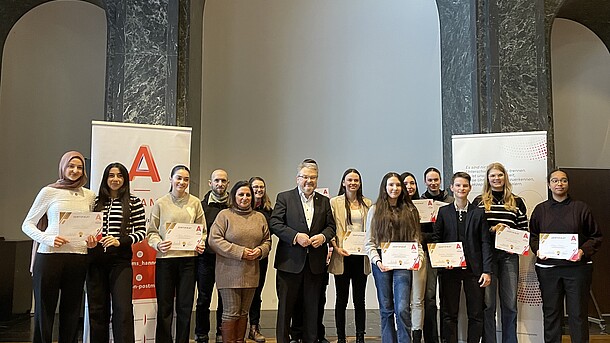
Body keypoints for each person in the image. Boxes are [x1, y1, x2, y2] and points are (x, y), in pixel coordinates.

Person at [22, 151, 97, 343]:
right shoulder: (49, 191)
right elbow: (27, 224)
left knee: (72, 311)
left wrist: (92, 240)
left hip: (78, 257)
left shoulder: (89, 195)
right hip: (49, 256)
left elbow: (91, 226)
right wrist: (47, 238)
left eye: (79, 167)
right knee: (44, 310)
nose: (75, 170)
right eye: (71, 166)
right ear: (63, 167)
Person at [529, 169, 602, 343]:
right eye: (555, 181)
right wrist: (538, 250)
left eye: (563, 181)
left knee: (577, 313)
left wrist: (582, 251)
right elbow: (533, 236)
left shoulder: (581, 208)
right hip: (548, 270)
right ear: (549, 184)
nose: (559, 184)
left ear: (568, 184)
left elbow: (596, 236)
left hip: (577, 269)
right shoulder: (541, 210)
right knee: (551, 312)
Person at [270, 159, 336, 343]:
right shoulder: (284, 197)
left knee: (312, 308)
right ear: (297, 178)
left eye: (313, 177)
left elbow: (331, 227)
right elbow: (275, 223)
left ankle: (311, 339)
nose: (309, 181)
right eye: (305, 177)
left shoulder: (323, 201)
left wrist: (323, 237)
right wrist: (295, 236)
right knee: (285, 309)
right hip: (289, 263)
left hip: (315, 264)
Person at [87, 162, 146, 343]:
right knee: (97, 309)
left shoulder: (134, 202)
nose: (115, 179)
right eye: (111, 175)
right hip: (95, 261)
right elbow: (85, 227)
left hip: (120, 262)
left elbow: (141, 232)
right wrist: (88, 241)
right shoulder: (94, 202)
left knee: (123, 309)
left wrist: (120, 241)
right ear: (105, 178)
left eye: (119, 176)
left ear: (125, 180)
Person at [146, 165, 206, 343]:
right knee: (164, 307)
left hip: (188, 260)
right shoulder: (161, 203)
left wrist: (200, 243)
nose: (182, 182)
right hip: (166, 260)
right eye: (178, 178)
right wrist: (158, 244)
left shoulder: (195, 203)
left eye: (186, 179)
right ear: (170, 179)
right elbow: (151, 232)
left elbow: (202, 230)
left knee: (185, 307)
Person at [431, 172, 492, 343]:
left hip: (474, 270)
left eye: (465, 185)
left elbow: (485, 242)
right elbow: (437, 240)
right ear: (451, 188)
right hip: (450, 270)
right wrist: (443, 262)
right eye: (458, 185)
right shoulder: (443, 212)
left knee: (476, 314)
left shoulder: (478, 213)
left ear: (470, 188)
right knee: (448, 313)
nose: (461, 188)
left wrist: (487, 271)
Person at [209, 180, 272, 343]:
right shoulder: (224, 215)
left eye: (248, 195)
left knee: (244, 312)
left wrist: (260, 251)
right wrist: (241, 252)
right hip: (229, 274)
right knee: (231, 312)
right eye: (241, 194)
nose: (245, 198)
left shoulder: (259, 217)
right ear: (234, 196)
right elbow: (214, 240)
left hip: (251, 273)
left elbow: (267, 241)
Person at [364, 172, 423, 343]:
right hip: (381, 263)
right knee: (386, 309)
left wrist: (417, 258)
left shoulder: (411, 210)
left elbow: (416, 240)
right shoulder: (375, 210)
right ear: (384, 187)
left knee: (403, 308)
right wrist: (377, 261)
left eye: (398, 185)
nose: (395, 188)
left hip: (404, 263)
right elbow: (369, 242)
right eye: (391, 185)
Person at [473, 162, 527, 343]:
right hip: (487, 259)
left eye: (500, 175)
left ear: (505, 177)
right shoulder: (479, 202)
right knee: (488, 305)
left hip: (509, 257)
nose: (497, 179)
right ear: (487, 179)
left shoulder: (517, 201)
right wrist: (493, 229)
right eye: (493, 176)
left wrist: (510, 233)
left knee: (510, 304)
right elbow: (475, 231)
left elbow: (524, 230)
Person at [329, 169, 372, 343]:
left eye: (356, 180)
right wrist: (335, 247)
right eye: (349, 180)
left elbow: (373, 229)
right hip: (342, 255)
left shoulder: (368, 203)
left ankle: (360, 335)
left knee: (359, 299)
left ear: (360, 183)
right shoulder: (334, 203)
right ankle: (341, 337)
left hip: (361, 257)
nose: (353, 183)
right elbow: (330, 227)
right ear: (343, 182)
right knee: (341, 299)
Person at [419, 167, 453, 343]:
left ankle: (447, 338)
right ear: (425, 182)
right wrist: (434, 238)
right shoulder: (420, 202)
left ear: (441, 180)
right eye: (430, 180)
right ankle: (431, 339)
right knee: (430, 298)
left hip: (448, 254)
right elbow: (417, 232)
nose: (433, 183)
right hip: (428, 253)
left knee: (447, 298)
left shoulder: (451, 201)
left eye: (436, 179)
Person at [196, 169, 230, 343]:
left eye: (223, 181)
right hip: (206, 259)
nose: (220, 184)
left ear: (228, 183)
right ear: (210, 183)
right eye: (216, 180)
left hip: (227, 260)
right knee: (203, 298)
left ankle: (221, 332)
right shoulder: (201, 206)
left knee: (225, 299)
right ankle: (201, 333)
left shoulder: (234, 207)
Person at [247, 176, 273, 343]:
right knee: (241, 293)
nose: (258, 190)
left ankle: (254, 328)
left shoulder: (269, 211)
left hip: (261, 257)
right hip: (242, 257)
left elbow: (272, 233)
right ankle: (237, 328)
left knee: (257, 293)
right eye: (255, 187)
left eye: (261, 187)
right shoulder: (240, 207)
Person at [400, 172, 424, 343]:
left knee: (417, 299)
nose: (409, 186)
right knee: (401, 302)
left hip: (418, 256)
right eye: (405, 183)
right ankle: (402, 335)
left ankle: (416, 337)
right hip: (398, 258)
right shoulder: (392, 207)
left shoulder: (422, 206)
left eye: (412, 183)